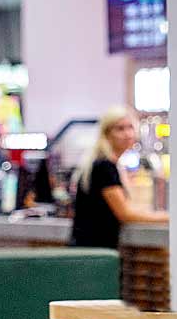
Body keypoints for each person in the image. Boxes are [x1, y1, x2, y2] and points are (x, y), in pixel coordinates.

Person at [69, 106, 167, 249]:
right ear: (107, 133)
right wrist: (167, 217)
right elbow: (125, 214)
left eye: (130, 127)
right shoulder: (104, 166)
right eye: (120, 129)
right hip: (93, 253)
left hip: (94, 251)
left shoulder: (109, 164)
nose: (127, 134)